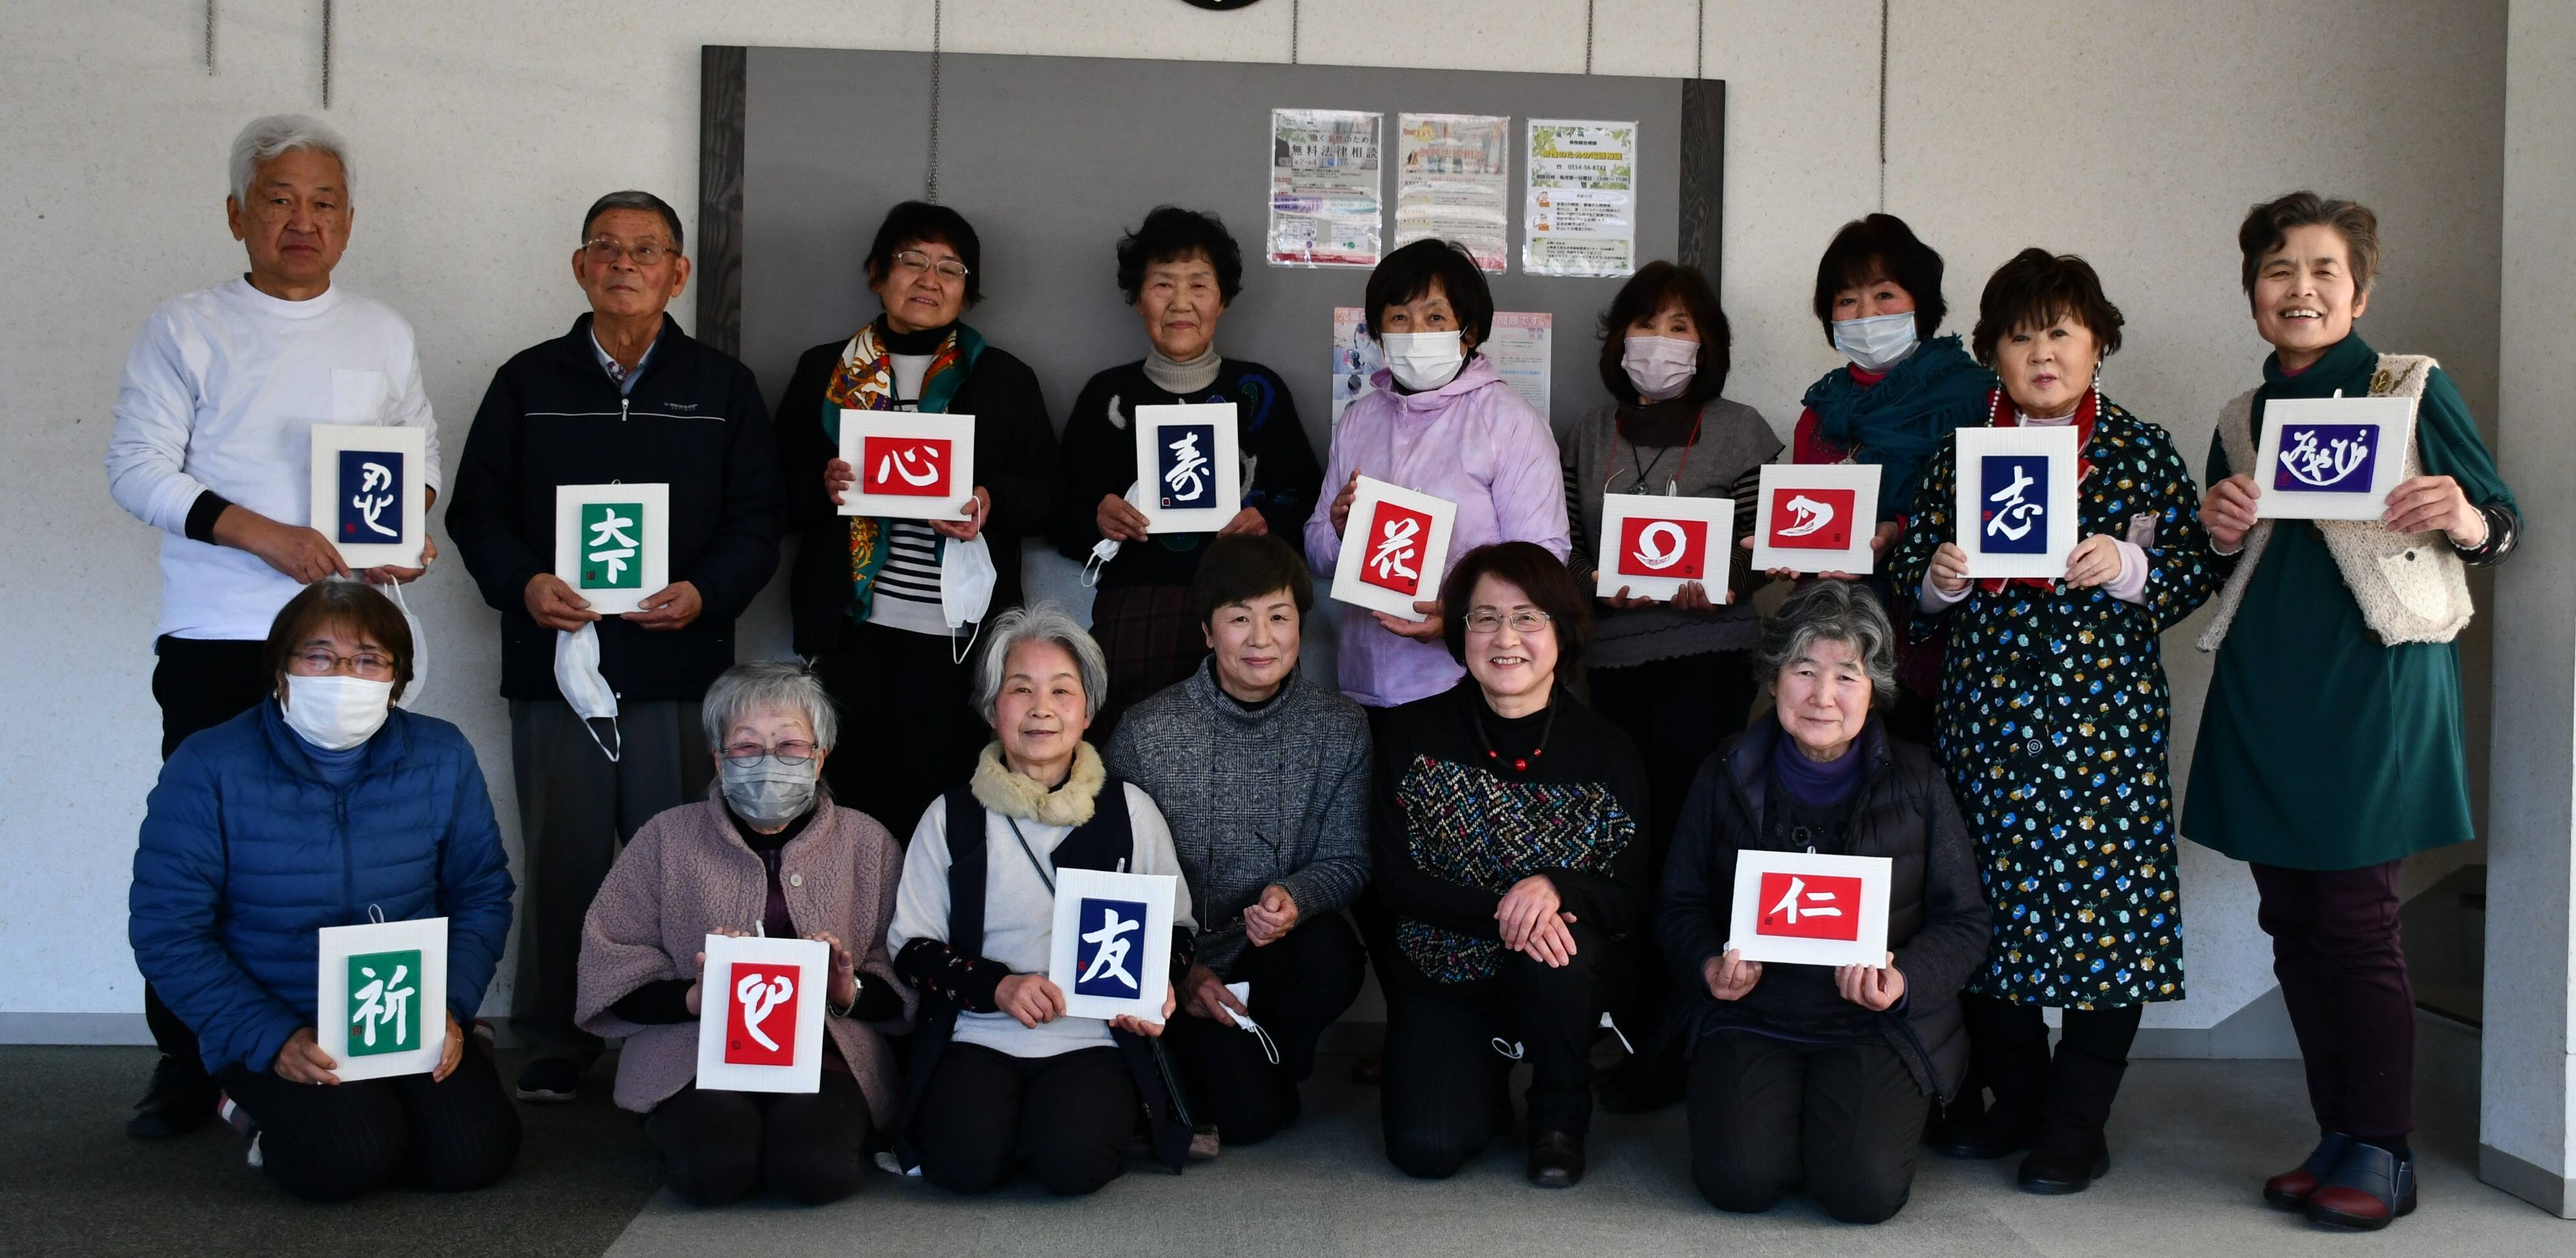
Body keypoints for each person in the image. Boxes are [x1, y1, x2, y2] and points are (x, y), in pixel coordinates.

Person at [106, 114, 441, 1138]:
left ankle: (352, 1035)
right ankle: (191, 1056)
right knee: (209, 853)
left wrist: (406, 529)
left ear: (349, 220)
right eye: (280, 200)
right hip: (220, 634)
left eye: (324, 202)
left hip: (352, 638)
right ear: (236, 215)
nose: (303, 220)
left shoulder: (382, 331)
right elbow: (137, 469)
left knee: (355, 845)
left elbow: (415, 459)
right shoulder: (184, 326)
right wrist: (266, 537)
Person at [2189, 193, 2517, 1231]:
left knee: (2354, 920)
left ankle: (2382, 1146)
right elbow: (2219, 560)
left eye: (2322, 270)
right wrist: (2215, 523)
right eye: (2278, 270)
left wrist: (2459, 513)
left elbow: (2497, 522)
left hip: (2370, 687)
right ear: (2251, 297)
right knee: (2290, 921)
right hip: (2264, 688)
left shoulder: (2406, 387)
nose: (2300, 288)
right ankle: (2337, 1133)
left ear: (2359, 289)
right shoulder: (2238, 419)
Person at [1886, 249, 2214, 1191]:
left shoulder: (2138, 449)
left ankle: (2076, 1126)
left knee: (2106, 928)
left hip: (2101, 733)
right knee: (1986, 922)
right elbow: (1915, 600)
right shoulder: (1960, 453)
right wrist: (1938, 585)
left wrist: (2129, 567)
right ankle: (2017, 1105)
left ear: (2097, 343)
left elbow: (2192, 571)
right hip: (1985, 729)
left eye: (2060, 331)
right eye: (2020, 334)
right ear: (1989, 349)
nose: (2040, 352)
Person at [446, 189, 783, 1104]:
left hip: (677, 668)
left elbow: (761, 518)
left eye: (646, 250)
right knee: (564, 857)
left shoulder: (721, 387)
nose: (624, 263)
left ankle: (676, 1024)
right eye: (606, 247)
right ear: (579, 266)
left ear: (679, 272)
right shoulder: (528, 381)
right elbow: (474, 510)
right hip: (558, 667)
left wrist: (706, 592)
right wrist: (524, 584)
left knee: (687, 855)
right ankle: (557, 1033)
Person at [127, 581, 518, 1201]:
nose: (344, 675)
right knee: (348, 1161)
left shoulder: (442, 753)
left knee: (470, 1158)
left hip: (402, 1008)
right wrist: (269, 1037)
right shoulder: (208, 764)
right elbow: (167, 929)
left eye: (369, 659)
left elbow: (481, 892)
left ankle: (442, 1069)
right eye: (319, 657)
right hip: (277, 1014)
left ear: (397, 679)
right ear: (281, 670)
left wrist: (450, 1004)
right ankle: (244, 1102)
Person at [1656, 580, 1989, 1222]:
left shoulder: (1918, 780)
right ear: (1773, 677)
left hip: (1872, 1021)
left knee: (1860, 1193)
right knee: (1738, 1182)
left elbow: (1964, 920)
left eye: (1845, 676)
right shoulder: (1723, 769)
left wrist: (1902, 981)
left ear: (1875, 689)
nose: (1822, 697)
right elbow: (1677, 901)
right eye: (1802, 671)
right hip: (1751, 1010)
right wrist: (1706, 965)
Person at [1558, 261, 1776, 1111]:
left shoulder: (1741, 430)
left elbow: (1771, 541)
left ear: (1709, 344)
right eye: (1645, 324)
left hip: (1706, 661)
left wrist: (1720, 579)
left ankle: (1691, 1038)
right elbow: (1564, 546)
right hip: (1608, 668)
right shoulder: (1584, 434)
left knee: (1698, 850)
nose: (1661, 343)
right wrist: (1588, 587)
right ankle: (1636, 1031)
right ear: (1616, 341)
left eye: (1681, 326)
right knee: (1626, 852)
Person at [887, 605, 1199, 1195]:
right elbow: (911, 946)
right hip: (979, 1031)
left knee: (1070, 1164)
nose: (1041, 708)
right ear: (990, 708)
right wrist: (997, 986)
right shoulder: (950, 815)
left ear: (1087, 712)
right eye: (1020, 689)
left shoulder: (1130, 810)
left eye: (1062, 690)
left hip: (1095, 1035)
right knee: (961, 1165)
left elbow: (1178, 929)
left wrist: (1159, 981)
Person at [577, 662, 912, 1206]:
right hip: (696, 1053)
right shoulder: (667, 836)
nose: (769, 762)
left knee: (813, 1173)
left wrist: (846, 991)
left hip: (826, 1052)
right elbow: (609, 959)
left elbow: (901, 970)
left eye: (790, 746)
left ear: (820, 755)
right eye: (746, 747)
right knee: (711, 1173)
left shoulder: (866, 841)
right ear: (718, 758)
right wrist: (693, 994)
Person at [777, 201, 1061, 840]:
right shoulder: (824, 371)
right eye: (911, 261)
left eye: (949, 269)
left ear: (967, 291)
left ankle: (925, 942)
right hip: (850, 631)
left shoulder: (1002, 380)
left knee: (938, 810)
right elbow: (770, 496)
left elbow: (1049, 494)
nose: (928, 280)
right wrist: (820, 486)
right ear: (877, 273)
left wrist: (990, 501)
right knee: (842, 811)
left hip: (955, 637)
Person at [1370, 542, 1649, 1188]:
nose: (1505, 638)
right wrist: (1510, 910)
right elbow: (1394, 881)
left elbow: (1630, 896)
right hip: (1443, 960)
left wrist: (1553, 888)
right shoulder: (1411, 737)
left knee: (1561, 941)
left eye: (1527, 617)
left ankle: (1559, 1114)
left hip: (1562, 972)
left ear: (1560, 629)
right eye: (1483, 617)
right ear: (1459, 630)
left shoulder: (1607, 751)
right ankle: (1480, 1083)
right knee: (1426, 1148)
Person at [1105, 534, 1371, 1146]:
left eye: (1278, 616)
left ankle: (1273, 1053)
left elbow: (1349, 858)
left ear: (1300, 623)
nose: (1261, 638)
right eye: (1238, 618)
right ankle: (1234, 1062)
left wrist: (1295, 897)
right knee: (1251, 1118)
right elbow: (1114, 882)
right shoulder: (1148, 732)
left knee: (1332, 953)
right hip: (1175, 967)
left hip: (1271, 956)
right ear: (1206, 631)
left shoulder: (1340, 727)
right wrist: (1183, 971)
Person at [1050, 207, 1324, 739]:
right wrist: (1096, 519)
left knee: (1249, 756)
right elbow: (1056, 509)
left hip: (1246, 612)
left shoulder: (1261, 391)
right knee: (1130, 752)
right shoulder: (1106, 395)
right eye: (1162, 284)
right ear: (1137, 299)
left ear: (1221, 300)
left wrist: (1265, 520)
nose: (1181, 302)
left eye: (1199, 284)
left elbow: (1308, 498)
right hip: (1136, 608)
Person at [1303, 239, 1570, 715]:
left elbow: (1542, 556)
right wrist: (1342, 531)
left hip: (1463, 679)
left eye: (1435, 318)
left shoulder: (1508, 421)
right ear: (1379, 330)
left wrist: (1459, 618)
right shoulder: (1359, 420)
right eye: (1398, 318)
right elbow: (1317, 550)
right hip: (1362, 679)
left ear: (1467, 331)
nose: (1415, 332)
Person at [1785, 214, 1994, 745]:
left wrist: (1898, 530)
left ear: (1919, 302)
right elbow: (1804, 516)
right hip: (1835, 645)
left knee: (1917, 793)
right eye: (1847, 300)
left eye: (1884, 295)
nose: (1865, 314)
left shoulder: (1976, 399)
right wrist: (1784, 548)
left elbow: (1985, 512)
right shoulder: (1820, 410)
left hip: (1935, 638)